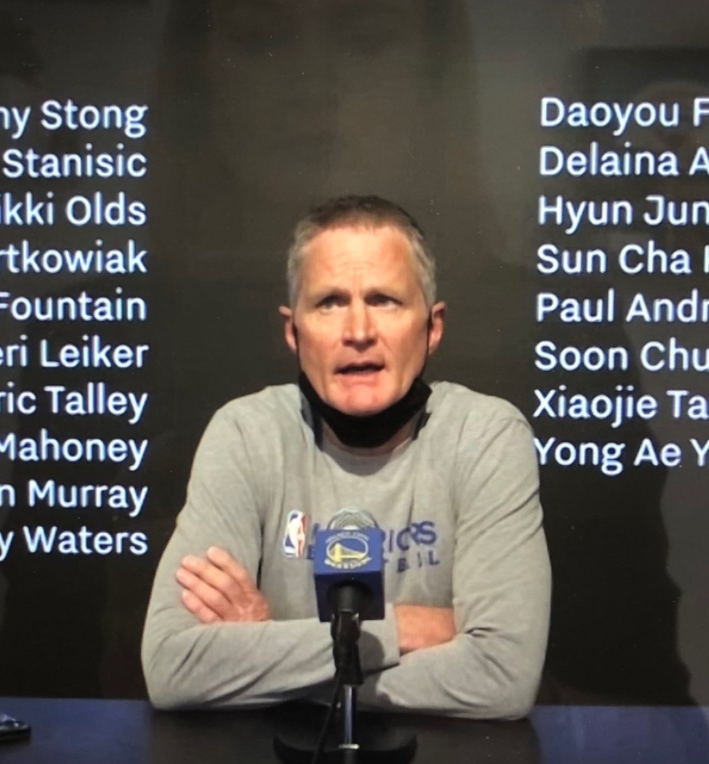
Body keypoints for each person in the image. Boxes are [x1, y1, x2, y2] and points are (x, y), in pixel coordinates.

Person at [141, 195, 550, 720]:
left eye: (384, 300)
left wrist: (269, 653)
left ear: (432, 327)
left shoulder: (486, 436)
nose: (358, 331)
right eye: (330, 302)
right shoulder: (246, 434)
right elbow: (175, 668)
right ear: (294, 332)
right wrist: (407, 629)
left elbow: (501, 678)